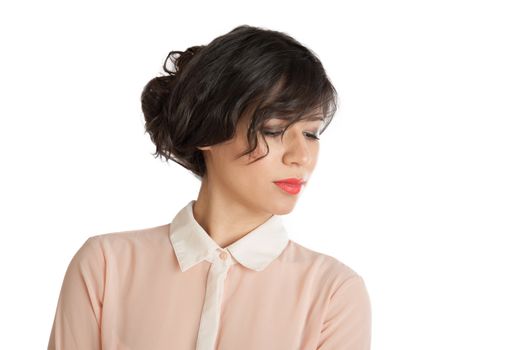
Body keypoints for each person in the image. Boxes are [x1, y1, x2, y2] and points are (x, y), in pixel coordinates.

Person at [47, 24, 372, 350]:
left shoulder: (333, 293)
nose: (301, 156)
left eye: (311, 133)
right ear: (208, 132)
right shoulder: (105, 267)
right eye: (274, 130)